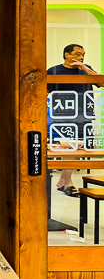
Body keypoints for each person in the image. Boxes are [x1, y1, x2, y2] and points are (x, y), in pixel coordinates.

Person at [48, 44, 98, 196]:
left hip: (85, 115)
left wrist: (86, 69)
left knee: (80, 148)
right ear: (67, 55)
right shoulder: (54, 71)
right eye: (77, 54)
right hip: (63, 116)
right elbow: (43, 91)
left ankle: (63, 180)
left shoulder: (86, 70)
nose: (81, 57)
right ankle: (67, 182)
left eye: (83, 54)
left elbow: (101, 82)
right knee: (69, 147)